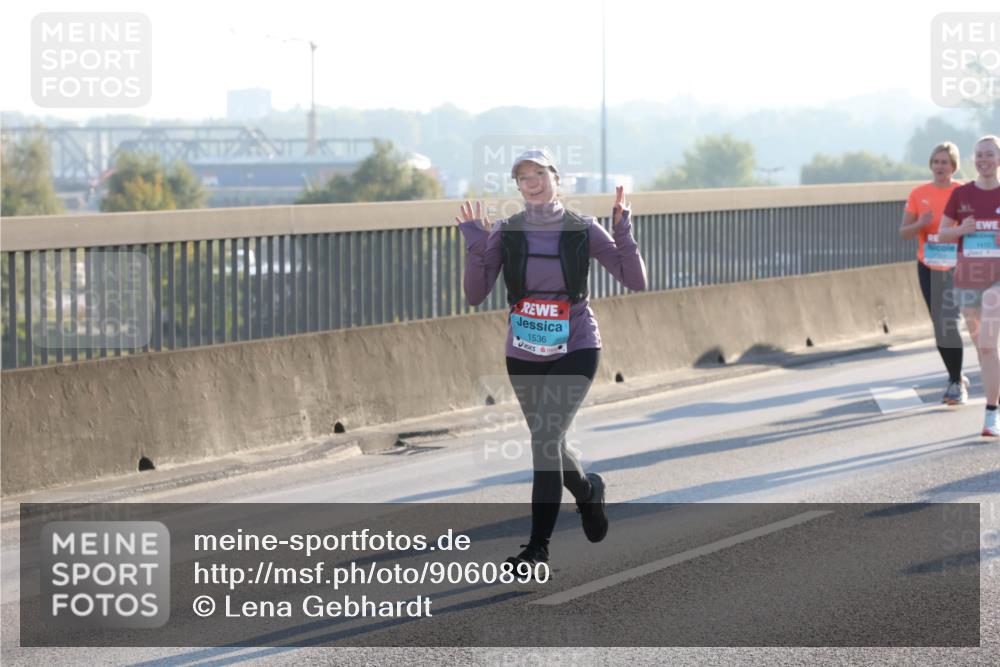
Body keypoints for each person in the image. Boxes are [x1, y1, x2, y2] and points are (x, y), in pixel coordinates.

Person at [456, 148, 647, 566]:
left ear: (556, 179)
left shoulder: (583, 228)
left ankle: (537, 547)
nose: (533, 182)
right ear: (519, 187)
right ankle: (587, 491)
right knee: (549, 442)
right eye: (524, 177)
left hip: (576, 345)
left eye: (540, 173)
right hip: (524, 351)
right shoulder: (507, 230)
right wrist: (475, 245)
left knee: (544, 442)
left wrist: (623, 231)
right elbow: (475, 294)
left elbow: (635, 280)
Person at [937, 135, 1000, 437]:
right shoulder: (962, 195)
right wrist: (961, 229)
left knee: (988, 341)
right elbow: (942, 234)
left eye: (989, 154)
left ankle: (991, 413)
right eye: (979, 155)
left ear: (999, 159)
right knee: (983, 350)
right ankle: (994, 402)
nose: (983, 159)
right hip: (967, 278)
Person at [898, 142, 966, 404]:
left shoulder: (962, 192)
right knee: (939, 325)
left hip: (956, 266)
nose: (940, 167)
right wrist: (921, 223)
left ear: (954, 166)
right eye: (936, 162)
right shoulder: (918, 193)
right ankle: (954, 375)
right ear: (930, 165)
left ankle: (956, 383)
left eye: (945, 162)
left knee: (949, 320)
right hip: (928, 265)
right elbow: (904, 233)